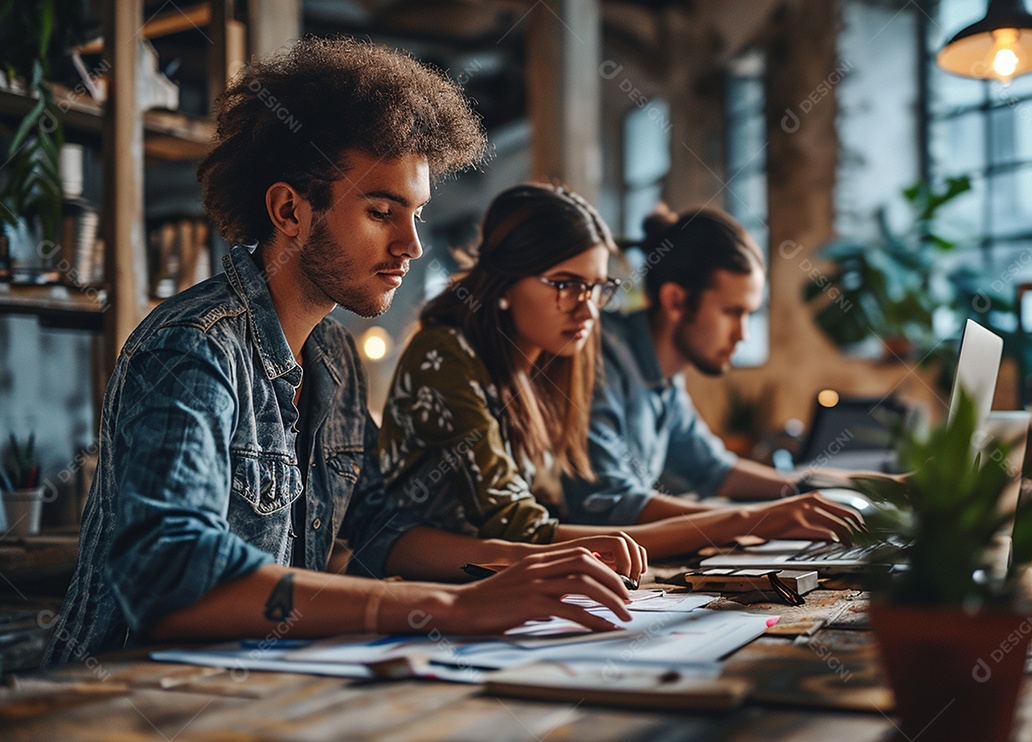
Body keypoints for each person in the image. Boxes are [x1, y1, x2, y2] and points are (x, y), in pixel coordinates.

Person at [43, 39, 640, 667]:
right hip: (122, 705)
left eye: (416, 215)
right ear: (289, 211)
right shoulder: (193, 348)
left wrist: (535, 565)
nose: (411, 245)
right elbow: (171, 579)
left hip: (257, 695)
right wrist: (449, 610)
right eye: (382, 211)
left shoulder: (333, 358)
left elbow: (382, 528)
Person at [379, 184, 861, 559]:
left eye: (595, 287)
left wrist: (829, 490)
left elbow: (707, 469)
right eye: (565, 285)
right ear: (505, 282)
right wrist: (751, 521)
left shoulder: (547, 364)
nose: (587, 310)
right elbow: (523, 525)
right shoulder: (446, 355)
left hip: (486, 585)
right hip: (411, 590)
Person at [561, 206, 860, 527]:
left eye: (748, 314)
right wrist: (759, 519)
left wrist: (847, 487)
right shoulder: (599, 354)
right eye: (732, 311)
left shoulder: (664, 375)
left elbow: (714, 471)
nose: (742, 334)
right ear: (675, 300)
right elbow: (609, 504)